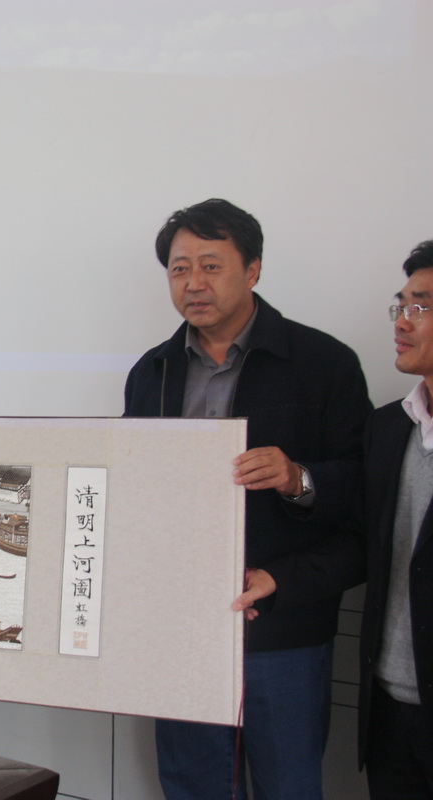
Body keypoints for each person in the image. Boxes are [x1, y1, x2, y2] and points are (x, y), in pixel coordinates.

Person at [123, 198, 371, 799]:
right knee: (193, 786)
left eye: (211, 266)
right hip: (181, 627)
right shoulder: (152, 372)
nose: (194, 283)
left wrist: (296, 478)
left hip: (282, 629)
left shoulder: (324, 364)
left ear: (253, 270)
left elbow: (366, 494)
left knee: (288, 786)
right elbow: (137, 494)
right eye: (180, 269)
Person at [359, 239, 433, 798]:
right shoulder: (388, 427)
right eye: (401, 305)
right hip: (388, 705)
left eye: (421, 306)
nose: (402, 322)